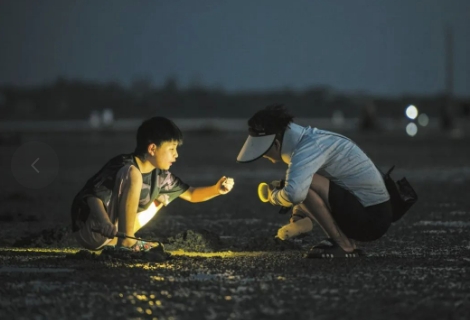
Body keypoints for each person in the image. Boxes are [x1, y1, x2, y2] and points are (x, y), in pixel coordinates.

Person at [236, 105, 392, 258]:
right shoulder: (310, 139)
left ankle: (344, 245)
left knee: (302, 184)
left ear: (276, 144)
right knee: (299, 181)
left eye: (265, 152)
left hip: (372, 219)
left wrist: (273, 196)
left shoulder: (307, 148)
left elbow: (294, 194)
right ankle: (313, 226)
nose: (265, 157)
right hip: (372, 211)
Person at [71, 116, 234, 253]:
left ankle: (123, 240)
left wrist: (217, 189)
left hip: (112, 235)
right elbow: (93, 197)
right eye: (172, 148)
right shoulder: (123, 165)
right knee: (133, 174)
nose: (176, 155)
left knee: (162, 197)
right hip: (92, 228)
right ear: (152, 148)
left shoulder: (161, 176)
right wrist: (104, 222)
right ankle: (128, 243)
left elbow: (191, 194)